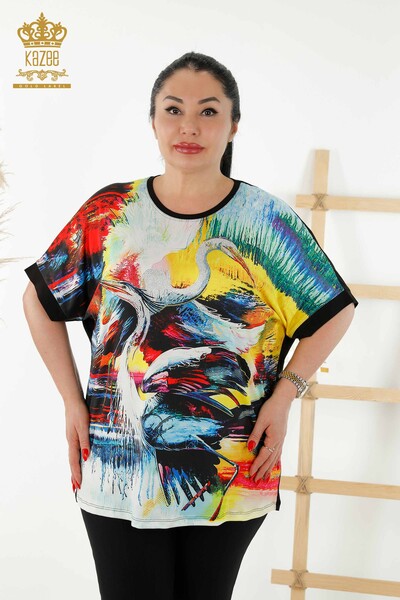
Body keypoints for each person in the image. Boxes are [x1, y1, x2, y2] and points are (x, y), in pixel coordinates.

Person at [22, 51, 358, 600]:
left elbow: (334, 310)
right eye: (173, 110)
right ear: (153, 121)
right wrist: (71, 401)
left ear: (233, 125)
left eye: (208, 111)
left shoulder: (266, 220)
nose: (189, 127)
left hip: (233, 466)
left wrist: (284, 397)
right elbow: (39, 301)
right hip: (117, 468)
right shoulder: (110, 212)